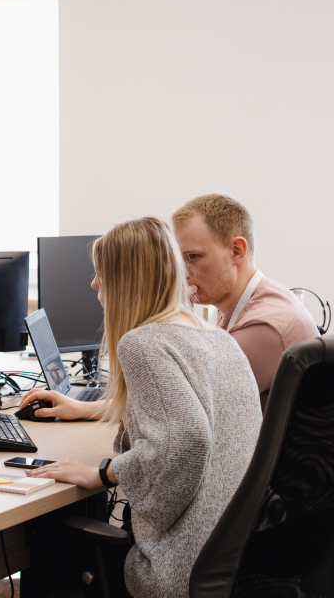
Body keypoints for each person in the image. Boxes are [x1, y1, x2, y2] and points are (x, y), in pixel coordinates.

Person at [20, 217, 262, 598]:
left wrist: (103, 474)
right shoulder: (219, 338)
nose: (94, 284)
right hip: (243, 559)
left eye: (101, 274)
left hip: (182, 567)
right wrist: (93, 412)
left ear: (125, 280)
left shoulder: (143, 343)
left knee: (46, 538)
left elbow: (186, 439)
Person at [172, 193, 319, 409]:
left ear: (236, 251)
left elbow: (184, 410)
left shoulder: (264, 327)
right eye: (179, 260)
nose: (184, 274)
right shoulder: (248, 301)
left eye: (193, 257)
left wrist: (173, 314)